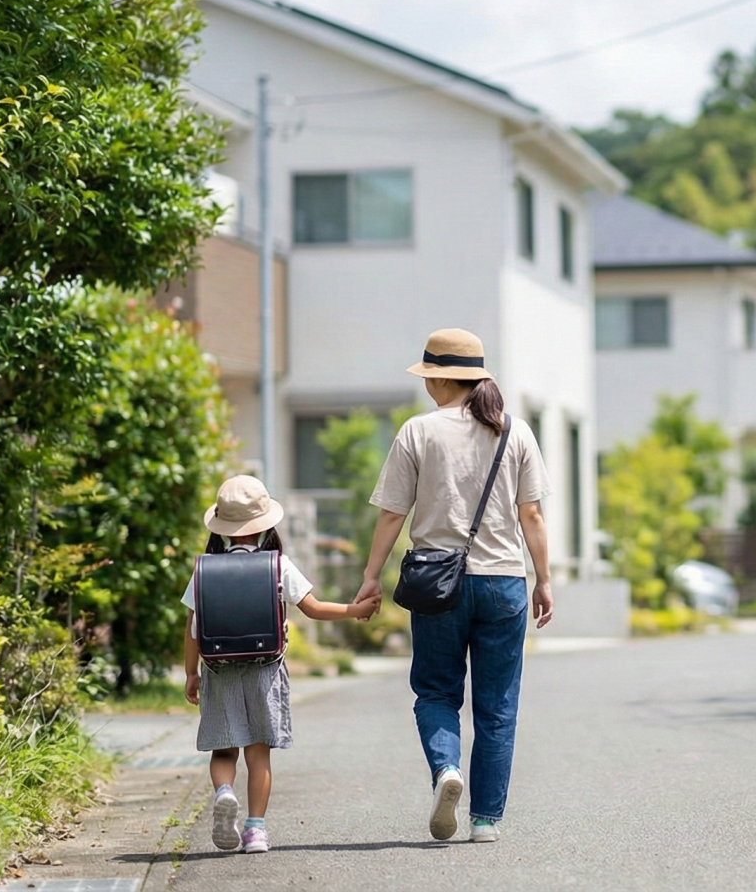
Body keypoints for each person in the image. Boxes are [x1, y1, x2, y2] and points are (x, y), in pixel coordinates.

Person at [356, 327, 554, 845]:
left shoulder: (418, 432)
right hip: (504, 582)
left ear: (440, 379)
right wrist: (545, 580)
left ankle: (447, 769)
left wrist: (371, 576)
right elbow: (531, 514)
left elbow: (392, 514)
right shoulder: (515, 431)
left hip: (436, 582)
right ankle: (485, 820)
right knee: (497, 706)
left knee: (436, 691)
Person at [182, 475, 380, 854]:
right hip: (265, 670)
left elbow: (191, 629)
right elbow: (314, 608)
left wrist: (192, 673)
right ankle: (255, 830)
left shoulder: (205, 570)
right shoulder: (277, 565)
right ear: (265, 525)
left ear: (221, 528)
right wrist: (355, 610)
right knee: (259, 754)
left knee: (224, 752)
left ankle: (224, 792)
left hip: (219, 671)